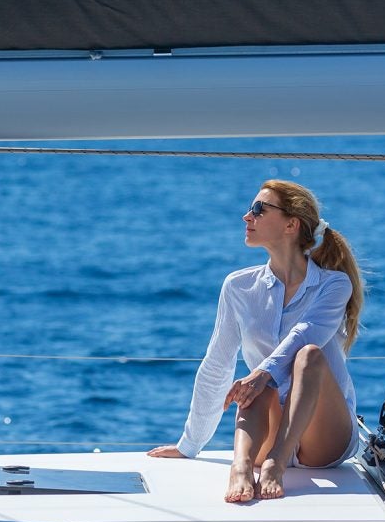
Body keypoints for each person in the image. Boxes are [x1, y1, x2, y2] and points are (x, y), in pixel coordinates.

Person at [147, 180, 363, 502]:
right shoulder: (238, 286)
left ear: (291, 224)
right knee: (260, 380)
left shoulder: (333, 284)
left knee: (307, 356)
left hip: (324, 439)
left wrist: (263, 373)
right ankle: (241, 466)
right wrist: (189, 445)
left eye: (259, 210)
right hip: (267, 428)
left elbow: (306, 331)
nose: (247, 217)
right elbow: (217, 363)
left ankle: (276, 463)